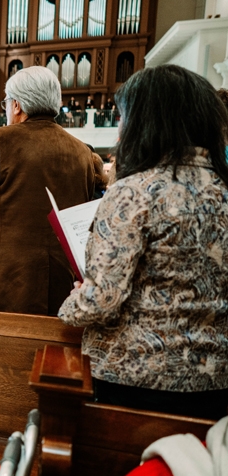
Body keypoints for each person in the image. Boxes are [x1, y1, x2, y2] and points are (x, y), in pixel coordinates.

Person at [58, 65, 228, 421]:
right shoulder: (223, 190)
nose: (120, 127)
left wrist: (72, 303)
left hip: (137, 379)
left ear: (145, 121)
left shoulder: (135, 192)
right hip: (216, 383)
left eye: (123, 116)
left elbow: (102, 301)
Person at [0, 66, 95, 316]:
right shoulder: (82, 152)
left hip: (1, 278)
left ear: (17, 105)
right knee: (45, 351)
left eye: (6, 102)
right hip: (59, 280)